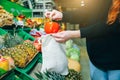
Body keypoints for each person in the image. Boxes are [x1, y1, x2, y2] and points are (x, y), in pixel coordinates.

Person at [44, 0, 120, 80]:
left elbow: (112, 25)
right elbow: (87, 12)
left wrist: (75, 34)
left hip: (116, 61)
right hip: (96, 57)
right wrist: (62, 15)